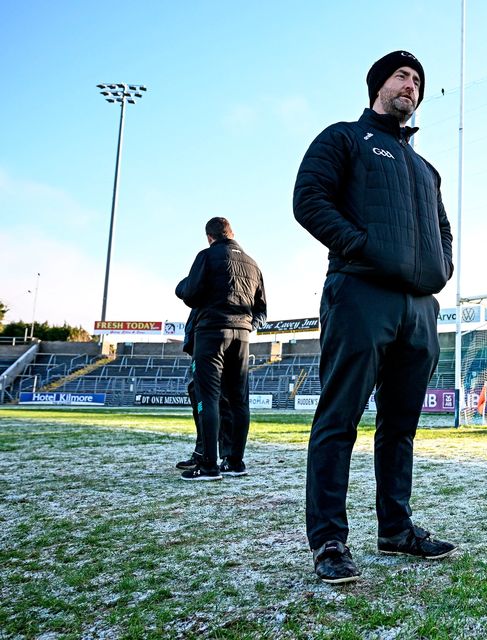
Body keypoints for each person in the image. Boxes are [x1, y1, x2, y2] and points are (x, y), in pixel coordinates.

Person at [293, 50, 456, 584]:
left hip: (418, 308)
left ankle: (396, 528)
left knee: (400, 427)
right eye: (401, 76)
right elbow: (309, 199)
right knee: (340, 419)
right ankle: (329, 542)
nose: (410, 85)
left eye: (417, 81)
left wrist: (441, 269)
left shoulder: (424, 167)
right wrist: (358, 246)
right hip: (360, 293)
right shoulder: (345, 137)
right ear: (378, 85)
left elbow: (444, 231)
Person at [175, 217, 267, 481]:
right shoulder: (252, 263)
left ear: (209, 237)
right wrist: (247, 324)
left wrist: (181, 287)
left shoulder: (206, 255)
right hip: (242, 336)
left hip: (212, 333)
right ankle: (235, 462)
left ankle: (209, 466)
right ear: (232, 233)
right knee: (239, 401)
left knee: (208, 397)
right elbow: (262, 308)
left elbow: (190, 294)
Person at [174, 307, 234, 472]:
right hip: (200, 347)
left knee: (221, 404)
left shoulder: (219, 289)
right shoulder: (206, 293)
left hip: (217, 344)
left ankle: (227, 456)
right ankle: (202, 452)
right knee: (199, 402)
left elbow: (258, 311)